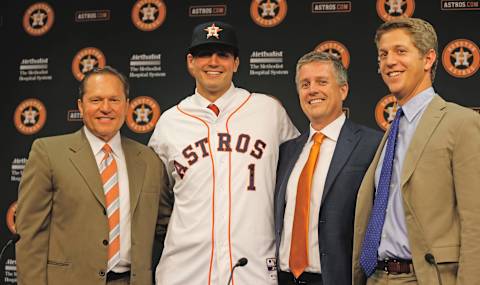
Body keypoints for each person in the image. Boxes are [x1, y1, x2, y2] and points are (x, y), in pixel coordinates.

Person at [148, 21, 299, 284]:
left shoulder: (268, 111)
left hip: (253, 269)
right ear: (191, 62)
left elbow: (297, 178)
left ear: (236, 63)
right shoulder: (170, 122)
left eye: (223, 54)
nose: (214, 62)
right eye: (205, 54)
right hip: (184, 271)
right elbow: (157, 200)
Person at [353, 18, 480, 285]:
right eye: (383, 54)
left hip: (424, 278)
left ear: (428, 59)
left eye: (401, 51)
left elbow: (476, 222)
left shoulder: (460, 123)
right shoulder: (392, 130)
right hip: (376, 277)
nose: (389, 61)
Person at [16, 66, 169, 285]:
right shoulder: (48, 153)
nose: (105, 108)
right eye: (96, 100)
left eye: (114, 100)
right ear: (81, 105)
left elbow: (167, 227)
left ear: (127, 105)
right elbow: (30, 235)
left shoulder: (149, 160)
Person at [274, 51, 382, 285]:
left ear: (343, 90)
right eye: (305, 84)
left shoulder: (372, 144)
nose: (312, 90)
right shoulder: (287, 151)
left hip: (336, 279)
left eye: (322, 82)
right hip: (284, 278)